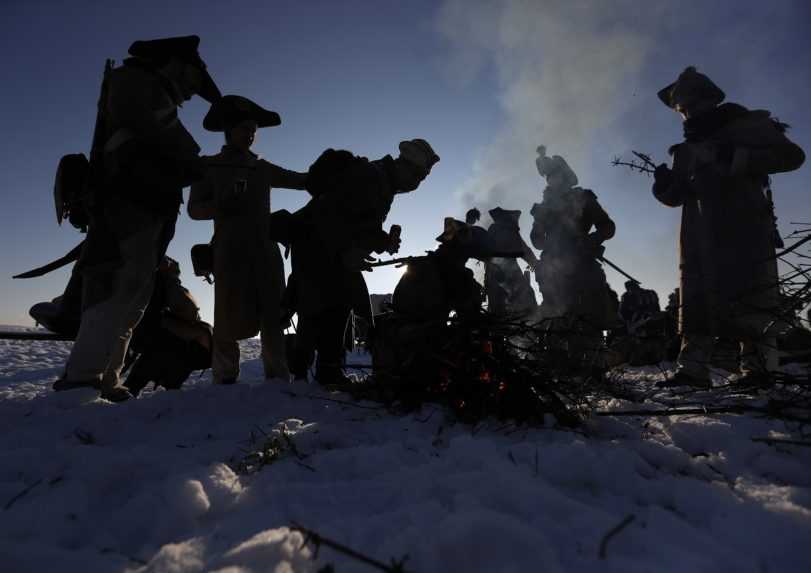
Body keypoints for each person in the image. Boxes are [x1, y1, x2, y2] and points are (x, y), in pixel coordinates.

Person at [55, 35, 220, 401]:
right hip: (128, 206)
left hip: (150, 207)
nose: (193, 93)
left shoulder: (149, 90)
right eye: (194, 81)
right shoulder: (134, 84)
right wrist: (195, 162)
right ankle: (81, 380)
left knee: (133, 301)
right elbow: (167, 139)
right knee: (114, 291)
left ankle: (106, 379)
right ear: (177, 64)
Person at [652, 66, 805, 387]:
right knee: (696, 298)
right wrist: (664, 185)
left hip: (744, 228)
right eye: (682, 110)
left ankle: (759, 368)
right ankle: (693, 370)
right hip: (698, 236)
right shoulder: (686, 150)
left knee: (750, 294)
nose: (688, 113)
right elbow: (677, 196)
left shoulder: (745, 124)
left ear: (710, 99)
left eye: (693, 105)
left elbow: (792, 156)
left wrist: (733, 155)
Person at [289, 140, 439, 385]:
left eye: (421, 179)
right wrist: (347, 252)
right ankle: (303, 374)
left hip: (325, 245)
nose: (415, 184)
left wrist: (381, 243)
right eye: (416, 176)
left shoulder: (382, 181)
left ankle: (325, 370)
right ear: (403, 165)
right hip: (315, 243)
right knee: (320, 306)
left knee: (335, 304)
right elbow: (333, 214)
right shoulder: (373, 177)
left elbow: (363, 224)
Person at [188, 95, 308, 384]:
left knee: (273, 313)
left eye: (254, 129)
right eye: (245, 128)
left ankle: (278, 376)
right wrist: (222, 204)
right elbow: (194, 210)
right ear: (229, 132)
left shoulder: (262, 168)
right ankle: (225, 376)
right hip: (229, 251)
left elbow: (300, 180)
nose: (251, 134)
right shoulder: (208, 167)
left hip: (265, 250)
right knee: (227, 315)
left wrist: (331, 174)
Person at [32, 257, 212, 396]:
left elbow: (68, 303)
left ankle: (127, 388)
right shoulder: (156, 276)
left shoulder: (109, 267)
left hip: (132, 334)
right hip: (141, 335)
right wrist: (172, 279)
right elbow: (189, 311)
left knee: (155, 346)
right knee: (165, 345)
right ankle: (132, 389)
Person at [530, 146, 616, 365]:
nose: (551, 180)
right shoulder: (543, 206)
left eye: (554, 175)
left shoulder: (583, 198)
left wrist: (591, 240)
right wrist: (544, 229)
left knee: (589, 311)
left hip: (582, 264)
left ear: (565, 176)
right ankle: (559, 365)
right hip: (554, 267)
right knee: (554, 314)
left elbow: (608, 227)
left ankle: (592, 364)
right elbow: (537, 240)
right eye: (548, 177)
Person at [483, 207, 538, 317]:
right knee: (526, 300)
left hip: (493, 273)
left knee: (498, 308)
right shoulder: (506, 229)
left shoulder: (493, 229)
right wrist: (536, 264)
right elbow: (525, 250)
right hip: (507, 272)